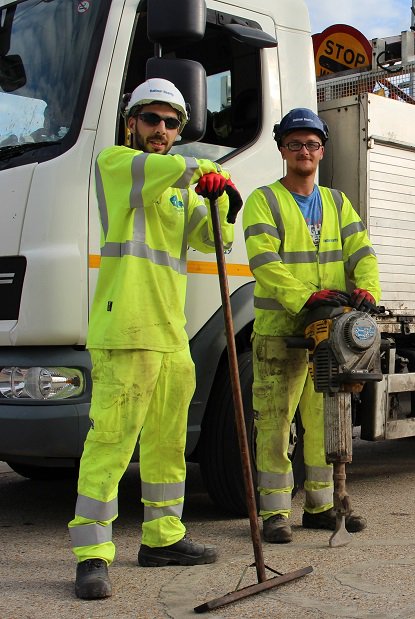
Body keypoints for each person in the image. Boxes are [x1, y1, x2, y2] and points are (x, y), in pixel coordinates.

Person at [69, 78, 243, 599]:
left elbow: (212, 239)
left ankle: (163, 537)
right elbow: (170, 170)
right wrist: (208, 170)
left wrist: (223, 204)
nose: (161, 130)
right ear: (132, 123)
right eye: (152, 119)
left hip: (171, 333)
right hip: (125, 329)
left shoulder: (176, 189)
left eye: (171, 123)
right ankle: (92, 554)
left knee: (168, 443)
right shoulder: (117, 164)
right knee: (111, 443)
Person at [242, 108, 380, 544]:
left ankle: (322, 507)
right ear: (282, 149)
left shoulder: (337, 203)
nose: (304, 151)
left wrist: (368, 290)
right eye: (295, 144)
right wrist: (305, 297)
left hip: (329, 333)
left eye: (312, 144)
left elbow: (362, 252)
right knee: (274, 423)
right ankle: (275, 513)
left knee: (324, 420)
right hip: (280, 332)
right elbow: (265, 262)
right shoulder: (264, 200)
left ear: (322, 150)